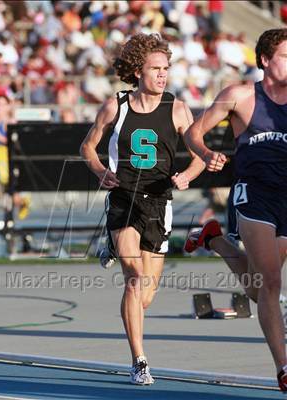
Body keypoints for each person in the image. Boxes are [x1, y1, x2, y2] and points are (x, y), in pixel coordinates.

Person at [80, 33, 205, 385]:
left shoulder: (178, 109)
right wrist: (100, 170)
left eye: (166, 69)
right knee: (134, 281)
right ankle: (140, 360)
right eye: (155, 69)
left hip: (159, 201)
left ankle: (110, 246)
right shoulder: (115, 107)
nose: (163, 75)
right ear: (138, 71)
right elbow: (87, 147)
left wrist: (188, 176)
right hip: (124, 198)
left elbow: (198, 154)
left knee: (146, 295)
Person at [184, 28, 287, 392]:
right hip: (253, 193)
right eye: (285, 56)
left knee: (261, 291)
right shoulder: (241, 96)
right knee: (272, 282)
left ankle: (218, 242)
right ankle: (283, 367)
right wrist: (207, 153)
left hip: (286, 196)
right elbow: (192, 133)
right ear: (264, 60)